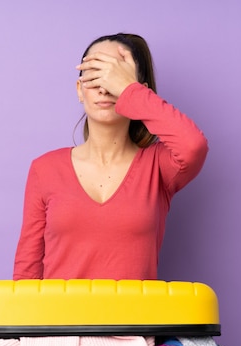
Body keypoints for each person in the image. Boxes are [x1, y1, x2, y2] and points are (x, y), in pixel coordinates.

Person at [13, 33, 208, 281]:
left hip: (136, 320)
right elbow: (26, 273)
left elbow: (193, 146)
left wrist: (130, 91)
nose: (104, 87)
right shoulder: (45, 169)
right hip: (58, 319)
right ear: (80, 89)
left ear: (138, 91)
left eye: (115, 76)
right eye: (95, 74)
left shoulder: (158, 167)